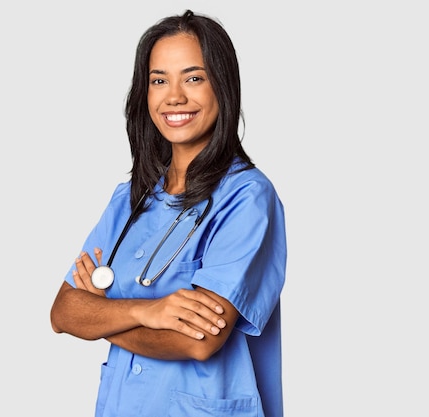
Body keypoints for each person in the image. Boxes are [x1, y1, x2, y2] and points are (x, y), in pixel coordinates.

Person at [50, 9, 287, 417]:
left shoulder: (247, 198)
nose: (174, 97)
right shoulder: (129, 200)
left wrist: (102, 316)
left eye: (193, 78)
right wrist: (150, 311)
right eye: (159, 80)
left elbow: (199, 341)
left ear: (223, 87)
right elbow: (62, 312)